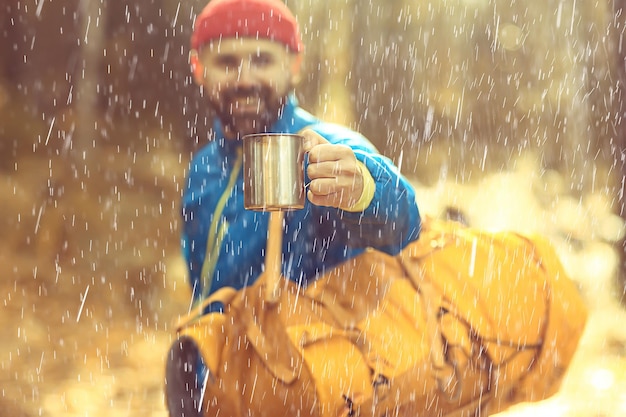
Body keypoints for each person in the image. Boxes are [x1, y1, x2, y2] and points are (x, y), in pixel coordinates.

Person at [165, 0, 420, 415]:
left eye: (263, 60)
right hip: (220, 391)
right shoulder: (203, 168)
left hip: (311, 393)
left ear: (295, 66)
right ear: (199, 68)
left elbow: (405, 223)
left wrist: (366, 190)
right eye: (227, 62)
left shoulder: (325, 148)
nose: (245, 78)